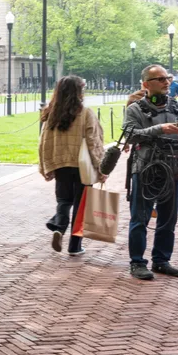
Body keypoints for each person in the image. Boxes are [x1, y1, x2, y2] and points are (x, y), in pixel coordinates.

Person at [124, 64, 178, 281]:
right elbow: (129, 135)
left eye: (168, 78)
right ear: (146, 85)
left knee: (169, 218)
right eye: (160, 79)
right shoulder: (135, 109)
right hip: (145, 169)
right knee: (140, 218)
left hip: (174, 170)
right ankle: (137, 263)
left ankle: (161, 260)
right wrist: (160, 129)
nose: (166, 82)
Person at [38, 76, 107, 256]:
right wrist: (101, 167)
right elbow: (94, 142)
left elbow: (42, 142)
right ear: (79, 92)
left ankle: (59, 227)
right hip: (83, 165)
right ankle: (75, 246)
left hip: (60, 163)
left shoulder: (50, 113)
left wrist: (45, 166)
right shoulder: (85, 113)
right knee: (81, 205)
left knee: (63, 200)